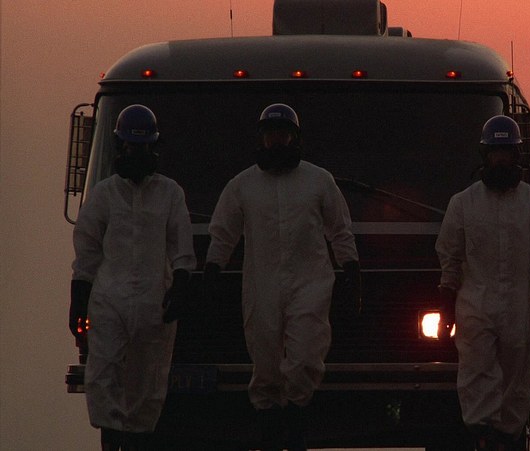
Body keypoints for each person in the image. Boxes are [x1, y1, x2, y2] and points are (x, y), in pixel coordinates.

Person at [204, 103, 361, 450]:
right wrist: (213, 269)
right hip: (261, 287)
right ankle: (272, 433)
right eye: (270, 136)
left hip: (310, 285)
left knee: (305, 357)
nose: (276, 142)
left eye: (283, 136)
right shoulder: (242, 185)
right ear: (260, 139)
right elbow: (223, 233)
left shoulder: (319, 181)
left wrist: (351, 269)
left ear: (295, 138)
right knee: (266, 364)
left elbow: (339, 230)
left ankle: (297, 423)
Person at [70, 104, 196, 450]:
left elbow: (181, 246)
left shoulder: (170, 194)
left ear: (152, 147)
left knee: (148, 381)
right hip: (109, 303)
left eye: (142, 148)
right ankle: (111, 441)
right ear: (120, 146)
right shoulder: (104, 195)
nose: (135, 154)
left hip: (154, 305)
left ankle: (139, 442)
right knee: (103, 375)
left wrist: (180, 285)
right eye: (130, 147)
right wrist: (78, 298)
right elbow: (87, 250)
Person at [435, 115, 530, 451]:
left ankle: (509, 438)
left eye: (506, 153)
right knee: (477, 376)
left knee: (518, 380)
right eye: (495, 153)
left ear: (517, 155)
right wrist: (447, 297)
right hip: (475, 306)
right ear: (484, 155)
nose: (501, 161)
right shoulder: (463, 204)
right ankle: (482, 438)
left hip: (521, 308)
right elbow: (449, 254)